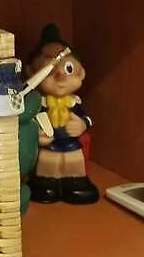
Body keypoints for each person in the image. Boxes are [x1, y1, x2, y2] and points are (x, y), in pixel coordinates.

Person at [25, 24, 99, 205]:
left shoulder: (74, 103)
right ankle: (45, 184)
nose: (60, 76)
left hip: (70, 144)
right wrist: (36, 135)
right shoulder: (38, 104)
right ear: (31, 73)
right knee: (48, 163)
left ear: (81, 73)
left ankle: (75, 183)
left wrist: (82, 124)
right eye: (49, 70)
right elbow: (30, 124)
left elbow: (87, 119)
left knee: (73, 162)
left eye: (69, 69)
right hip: (49, 146)